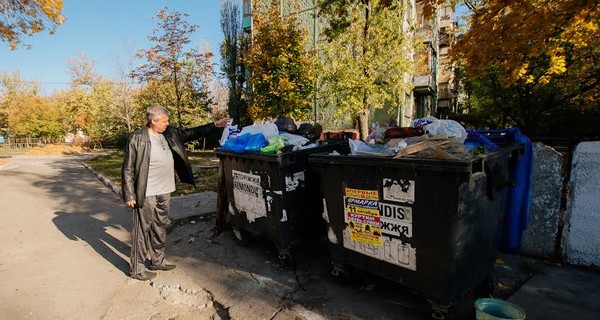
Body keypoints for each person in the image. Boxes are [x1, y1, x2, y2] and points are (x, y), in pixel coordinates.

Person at [121, 104, 229, 281]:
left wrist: (214, 125)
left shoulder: (169, 133)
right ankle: (137, 268)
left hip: (165, 189)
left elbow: (191, 133)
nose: (167, 123)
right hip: (146, 192)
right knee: (142, 229)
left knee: (159, 226)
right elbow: (127, 168)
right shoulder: (138, 138)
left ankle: (157, 260)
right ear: (153, 121)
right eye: (164, 121)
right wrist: (129, 194)